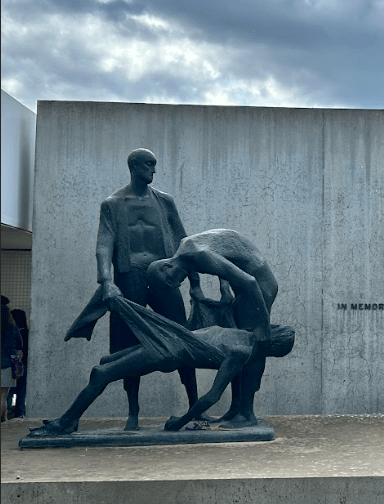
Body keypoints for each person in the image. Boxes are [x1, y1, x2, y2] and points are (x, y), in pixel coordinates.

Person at [28, 229, 293, 436]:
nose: (178, 283)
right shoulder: (188, 251)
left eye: (174, 281)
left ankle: (246, 413)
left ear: (167, 267)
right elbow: (228, 265)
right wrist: (217, 289)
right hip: (181, 339)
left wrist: (263, 322)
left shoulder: (194, 253)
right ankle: (238, 410)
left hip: (256, 287)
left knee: (103, 371)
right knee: (107, 365)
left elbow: (247, 281)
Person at [89, 148, 204, 431]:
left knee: (182, 337)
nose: (154, 170)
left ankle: (196, 407)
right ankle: (133, 412)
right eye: (149, 165)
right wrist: (106, 281)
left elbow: (183, 241)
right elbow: (104, 243)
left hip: (162, 275)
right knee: (127, 345)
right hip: (130, 279)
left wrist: (196, 283)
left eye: (155, 164)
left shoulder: (164, 202)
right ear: (134, 166)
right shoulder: (113, 204)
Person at [1, 296, 23, 422]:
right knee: (3, 396)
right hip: (8, 364)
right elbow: (19, 344)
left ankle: (3, 418)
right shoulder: (12, 328)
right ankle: (3, 419)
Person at [7, 308, 29, 418]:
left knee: (8, 389)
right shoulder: (27, 333)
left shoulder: (10, 331)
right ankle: (20, 412)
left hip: (10, 364)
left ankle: (7, 410)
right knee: (22, 390)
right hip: (24, 364)